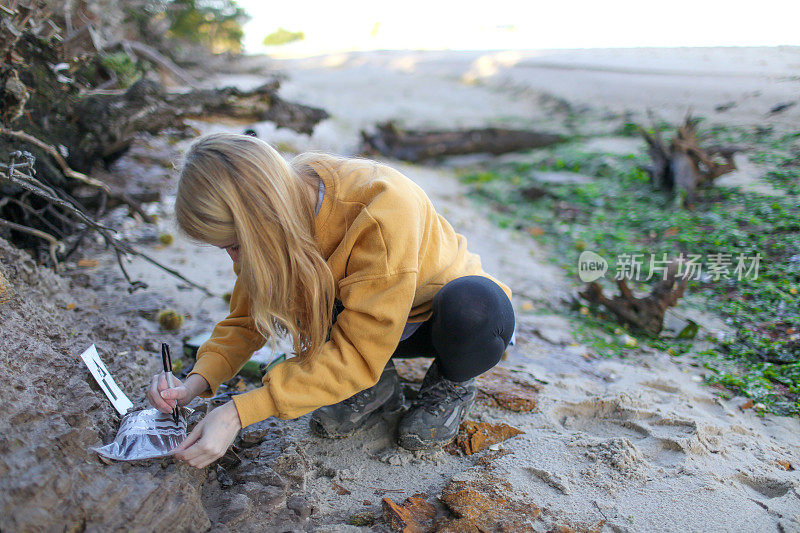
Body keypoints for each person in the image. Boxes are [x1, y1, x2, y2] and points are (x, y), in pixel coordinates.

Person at [146, 133, 515, 469]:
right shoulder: (277, 217)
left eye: (235, 246)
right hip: (368, 320)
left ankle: (451, 383)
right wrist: (194, 382)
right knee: (308, 288)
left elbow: (356, 354)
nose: (237, 262)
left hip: (439, 318)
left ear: (261, 218)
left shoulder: (381, 208)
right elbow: (246, 320)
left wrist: (237, 414)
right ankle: (376, 385)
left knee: (474, 308)